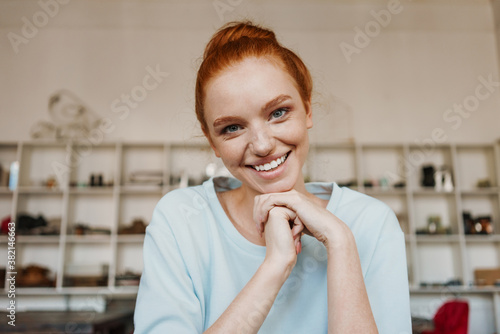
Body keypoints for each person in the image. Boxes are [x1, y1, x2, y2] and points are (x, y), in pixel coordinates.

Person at [134, 21, 411, 333]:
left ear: (307, 108)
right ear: (212, 141)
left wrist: (341, 243)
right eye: (232, 128)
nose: (263, 145)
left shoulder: (371, 223)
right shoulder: (181, 219)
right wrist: (275, 265)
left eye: (278, 112)